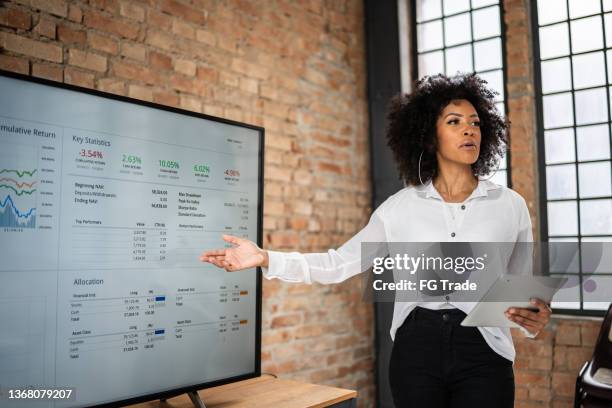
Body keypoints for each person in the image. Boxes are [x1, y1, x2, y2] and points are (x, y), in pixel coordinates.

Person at [200, 73, 551, 407]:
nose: (469, 130)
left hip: (485, 350)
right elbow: (339, 263)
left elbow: (520, 292)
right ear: (429, 136)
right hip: (417, 349)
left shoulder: (510, 205)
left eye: (475, 122)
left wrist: (533, 319)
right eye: (454, 122)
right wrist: (265, 258)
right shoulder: (398, 209)